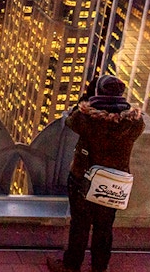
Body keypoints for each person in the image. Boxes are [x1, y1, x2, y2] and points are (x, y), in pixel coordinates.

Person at [48, 74, 144, 272]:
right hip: (115, 181)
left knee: (80, 224)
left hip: (83, 178)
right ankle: (100, 267)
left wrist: (87, 97)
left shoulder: (86, 119)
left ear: (97, 93)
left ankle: (71, 266)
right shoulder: (134, 123)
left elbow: (71, 119)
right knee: (105, 227)